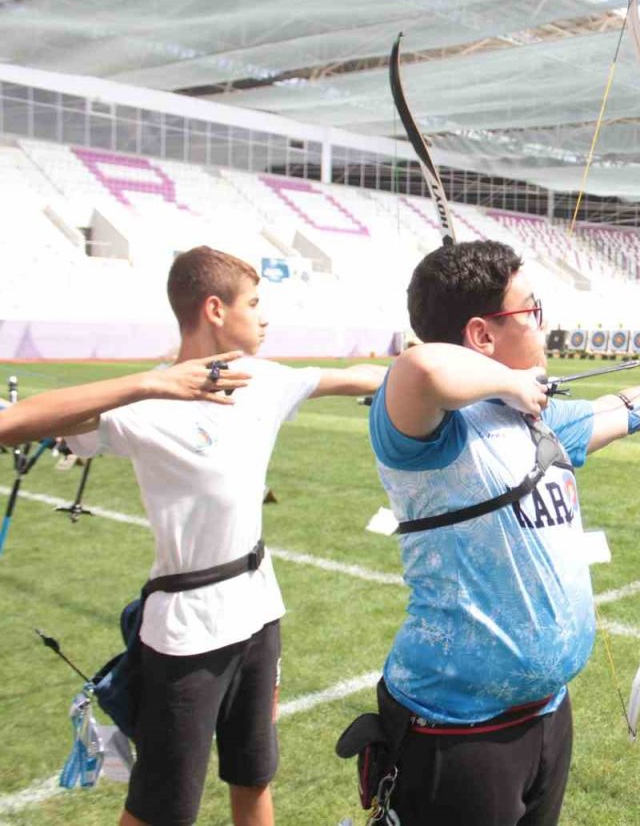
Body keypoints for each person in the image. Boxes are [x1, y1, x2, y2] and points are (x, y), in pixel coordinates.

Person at [0, 245, 385, 826]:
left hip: (258, 614)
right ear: (213, 309)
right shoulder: (146, 401)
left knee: (254, 775)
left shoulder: (265, 380)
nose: (264, 316)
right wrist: (148, 385)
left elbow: (364, 378)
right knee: (162, 807)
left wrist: (455, 369)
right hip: (185, 634)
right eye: (253, 303)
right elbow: (10, 425)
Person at [363, 240, 640, 825]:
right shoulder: (427, 431)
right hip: (458, 731)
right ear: (483, 336)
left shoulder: (532, 417)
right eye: (531, 310)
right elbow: (421, 365)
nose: (543, 321)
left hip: (546, 714)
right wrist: (511, 384)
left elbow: (620, 409)